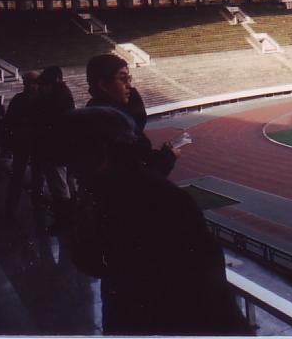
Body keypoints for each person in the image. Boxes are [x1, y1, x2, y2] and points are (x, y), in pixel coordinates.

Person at [63, 105, 249, 336]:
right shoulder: (110, 195)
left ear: (102, 153)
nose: (73, 169)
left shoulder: (156, 201)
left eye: (77, 156)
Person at [85, 54, 175, 178]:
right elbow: (140, 175)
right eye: (123, 79)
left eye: (129, 79)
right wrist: (169, 156)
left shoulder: (93, 111)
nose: (129, 85)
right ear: (103, 85)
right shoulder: (116, 123)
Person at [32, 66, 75, 234]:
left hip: (55, 151)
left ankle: (64, 222)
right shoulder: (62, 94)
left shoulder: (55, 97)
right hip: (60, 150)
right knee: (64, 185)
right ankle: (67, 219)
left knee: (60, 187)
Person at [3, 71, 41, 219]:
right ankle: (37, 204)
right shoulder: (40, 100)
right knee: (37, 174)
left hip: (20, 141)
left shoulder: (18, 99)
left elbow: (8, 121)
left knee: (18, 174)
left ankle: (12, 206)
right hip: (36, 141)